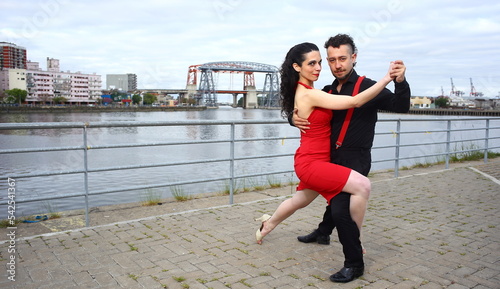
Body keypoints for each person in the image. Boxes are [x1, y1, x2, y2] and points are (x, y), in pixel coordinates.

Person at [255, 42, 397, 282]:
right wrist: (386, 79)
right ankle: (356, 243)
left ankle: (267, 225)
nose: (319, 67)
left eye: (320, 62)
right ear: (297, 66)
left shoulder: (310, 90)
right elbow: (353, 102)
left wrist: (291, 117)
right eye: (312, 63)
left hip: (317, 159)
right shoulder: (309, 93)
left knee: (300, 199)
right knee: (363, 186)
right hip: (312, 163)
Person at [293, 34, 410, 283]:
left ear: (353, 58)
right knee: (334, 203)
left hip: (355, 158)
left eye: (343, 58)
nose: (337, 65)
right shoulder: (326, 90)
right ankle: (323, 232)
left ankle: (354, 264)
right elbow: (307, 113)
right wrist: (292, 119)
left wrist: (400, 80)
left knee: (342, 209)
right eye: (332, 60)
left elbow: (401, 106)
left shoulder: (368, 86)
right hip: (329, 157)